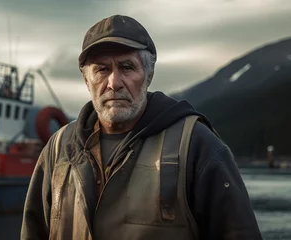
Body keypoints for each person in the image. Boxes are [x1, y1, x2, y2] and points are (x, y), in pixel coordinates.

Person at [21, 15, 262, 240]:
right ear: (86, 80)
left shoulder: (195, 144)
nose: (114, 83)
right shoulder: (58, 148)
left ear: (149, 74)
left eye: (126, 67)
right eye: (102, 70)